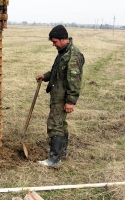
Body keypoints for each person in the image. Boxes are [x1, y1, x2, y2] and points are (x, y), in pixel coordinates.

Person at [36, 25, 85, 168]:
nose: (53, 44)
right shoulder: (63, 52)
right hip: (57, 94)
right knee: (61, 124)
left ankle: (55, 159)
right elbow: (56, 72)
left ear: (64, 39)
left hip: (62, 97)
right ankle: (61, 151)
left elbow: (74, 81)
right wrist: (45, 76)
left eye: (55, 41)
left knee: (55, 125)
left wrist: (71, 101)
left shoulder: (73, 56)